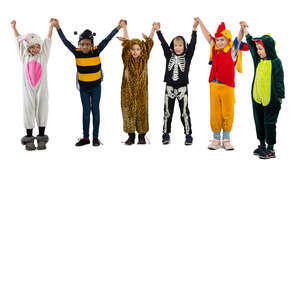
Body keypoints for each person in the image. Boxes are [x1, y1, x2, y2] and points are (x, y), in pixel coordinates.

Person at [52, 18, 123, 146]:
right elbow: (65, 41)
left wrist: (118, 27)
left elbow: (107, 39)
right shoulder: (77, 52)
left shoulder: (96, 50)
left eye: (87, 44)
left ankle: (95, 137)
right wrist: (58, 27)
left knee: (95, 110)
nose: (84, 46)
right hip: (84, 88)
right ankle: (86, 138)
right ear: (79, 44)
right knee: (85, 111)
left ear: (92, 45)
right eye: (82, 44)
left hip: (96, 87)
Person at [197, 18, 248, 150]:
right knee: (215, 112)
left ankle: (226, 139)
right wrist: (200, 22)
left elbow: (238, 39)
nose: (219, 42)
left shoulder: (232, 52)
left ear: (227, 41)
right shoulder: (214, 48)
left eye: (222, 40)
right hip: (214, 85)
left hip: (227, 87)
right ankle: (215, 138)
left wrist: (242, 28)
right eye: (218, 40)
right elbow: (207, 35)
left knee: (228, 112)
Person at [240, 21, 285, 159]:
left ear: (269, 48)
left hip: (271, 99)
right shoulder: (258, 60)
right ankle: (261, 145)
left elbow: (279, 81)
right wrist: (245, 30)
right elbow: (252, 49)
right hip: (257, 97)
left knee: (269, 124)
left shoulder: (276, 62)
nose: (259, 51)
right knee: (258, 121)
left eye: (261, 49)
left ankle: (271, 149)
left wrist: (279, 98)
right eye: (258, 49)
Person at [153, 19, 198, 145]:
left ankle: (188, 134)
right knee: (167, 112)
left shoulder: (187, 57)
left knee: (184, 112)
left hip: (183, 88)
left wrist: (194, 30)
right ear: (173, 47)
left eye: (180, 45)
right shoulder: (169, 55)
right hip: (169, 87)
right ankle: (166, 133)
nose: (178, 48)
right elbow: (163, 44)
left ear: (184, 46)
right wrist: (158, 31)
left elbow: (193, 45)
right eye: (175, 45)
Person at [11, 19, 54, 151]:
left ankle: (41, 137)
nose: (36, 49)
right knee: (28, 110)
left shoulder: (44, 55)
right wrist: (14, 27)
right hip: (28, 90)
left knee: (42, 110)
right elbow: (19, 40)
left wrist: (51, 26)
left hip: (42, 90)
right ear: (28, 48)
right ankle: (29, 138)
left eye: (38, 47)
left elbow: (48, 40)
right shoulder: (24, 56)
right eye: (33, 47)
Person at [118, 21, 155, 145]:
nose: (135, 51)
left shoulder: (144, 59)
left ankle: (142, 136)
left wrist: (153, 29)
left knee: (142, 112)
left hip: (141, 93)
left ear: (141, 51)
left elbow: (149, 43)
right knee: (128, 112)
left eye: (138, 49)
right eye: (133, 49)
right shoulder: (127, 59)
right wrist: (124, 27)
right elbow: (126, 43)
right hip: (127, 92)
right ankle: (131, 136)